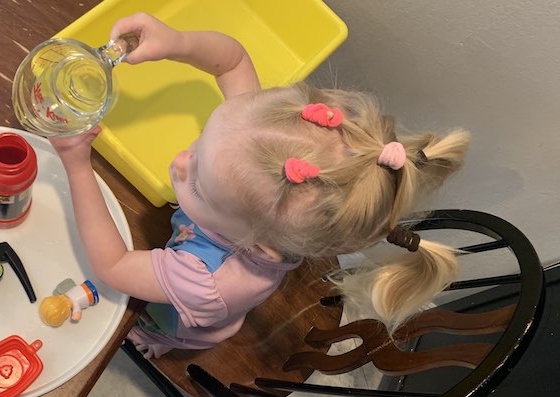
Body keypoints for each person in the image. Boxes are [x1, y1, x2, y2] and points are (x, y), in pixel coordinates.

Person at [49, 13, 470, 358]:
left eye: (198, 185)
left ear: (257, 245)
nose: (181, 162)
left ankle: (158, 343)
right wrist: (175, 41)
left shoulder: (203, 281)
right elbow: (231, 62)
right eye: (199, 144)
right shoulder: (265, 165)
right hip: (195, 257)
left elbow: (114, 266)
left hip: (183, 315)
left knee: (151, 325)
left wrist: (76, 165)